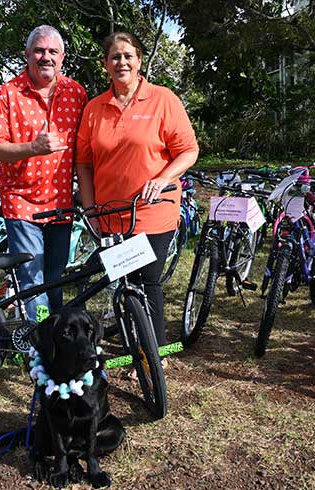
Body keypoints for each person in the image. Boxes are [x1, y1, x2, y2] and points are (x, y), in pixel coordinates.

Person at [76, 31, 199, 347]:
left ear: (139, 60)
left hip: (153, 211)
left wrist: (163, 177)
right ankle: (134, 342)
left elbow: (188, 150)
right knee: (126, 282)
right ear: (106, 64)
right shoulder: (93, 109)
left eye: (128, 56)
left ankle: (152, 355)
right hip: (110, 215)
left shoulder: (163, 99)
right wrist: (90, 210)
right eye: (115, 57)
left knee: (147, 280)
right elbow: (85, 164)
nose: (122, 62)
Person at [0, 25, 87, 320]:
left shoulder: (76, 93)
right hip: (21, 203)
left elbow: (86, 147)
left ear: (62, 57)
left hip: (61, 204)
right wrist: (32, 148)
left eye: (52, 51)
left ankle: (54, 338)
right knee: (32, 279)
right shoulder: (9, 93)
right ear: (27, 54)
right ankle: (39, 349)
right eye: (39, 51)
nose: (46, 57)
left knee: (55, 278)